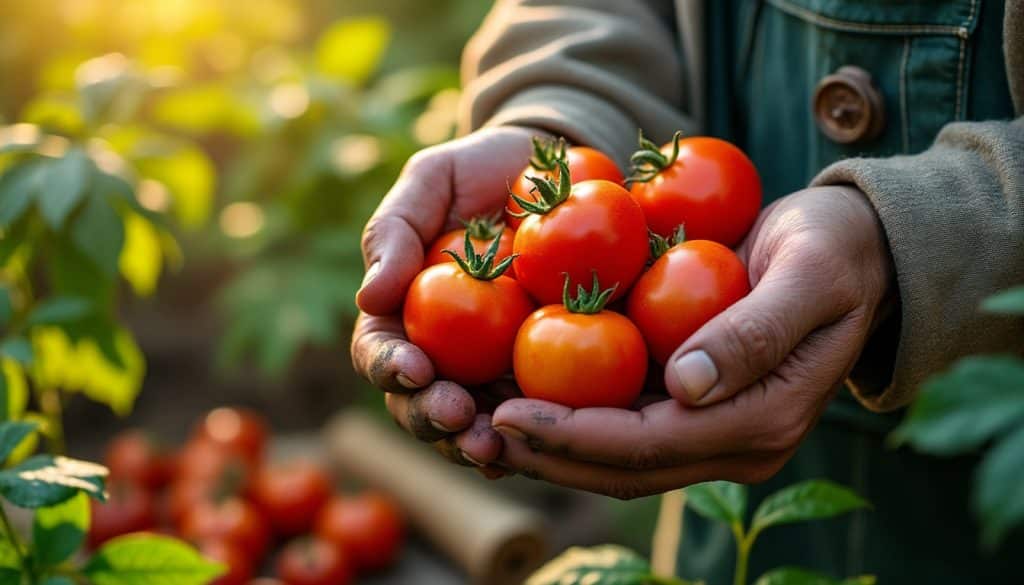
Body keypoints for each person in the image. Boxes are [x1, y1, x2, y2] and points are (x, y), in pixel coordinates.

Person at [352, 1, 1024, 582]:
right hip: (721, 499)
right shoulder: (589, 231)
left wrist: (911, 231)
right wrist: (565, 112)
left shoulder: (577, 259)